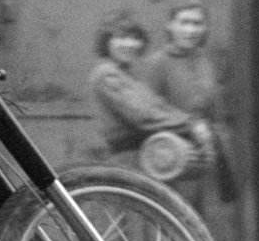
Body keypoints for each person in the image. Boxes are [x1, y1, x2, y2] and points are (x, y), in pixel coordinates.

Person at [139, 0, 230, 213]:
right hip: (169, 160)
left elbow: (216, 113)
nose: (191, 30)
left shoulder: (205, 62)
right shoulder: (157, 63)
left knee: (205, 225)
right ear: (170, 25)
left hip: (205, 160)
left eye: (197, 23)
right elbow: (147, 112)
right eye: (184, 22)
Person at [87, 12, 209, 167]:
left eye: (135, 38)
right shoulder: (106, 74)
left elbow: (157, 107)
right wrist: (190, 125)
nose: (130, 44)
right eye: (121, 38)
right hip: (126, 160)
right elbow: (143, 115)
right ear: (107, 42)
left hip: (143, 156)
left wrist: (191, 123)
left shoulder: (127, 74)